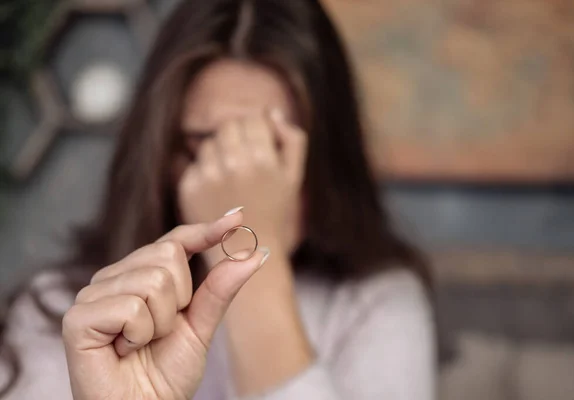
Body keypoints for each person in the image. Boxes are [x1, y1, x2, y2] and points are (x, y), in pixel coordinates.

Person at [0, 0, 436, 398]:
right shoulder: (69, 309)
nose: (237, 176)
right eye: (206, 144)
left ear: (324, 153)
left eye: (269, 148)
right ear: (161, 150)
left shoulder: (375, 302)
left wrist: (254, 260)